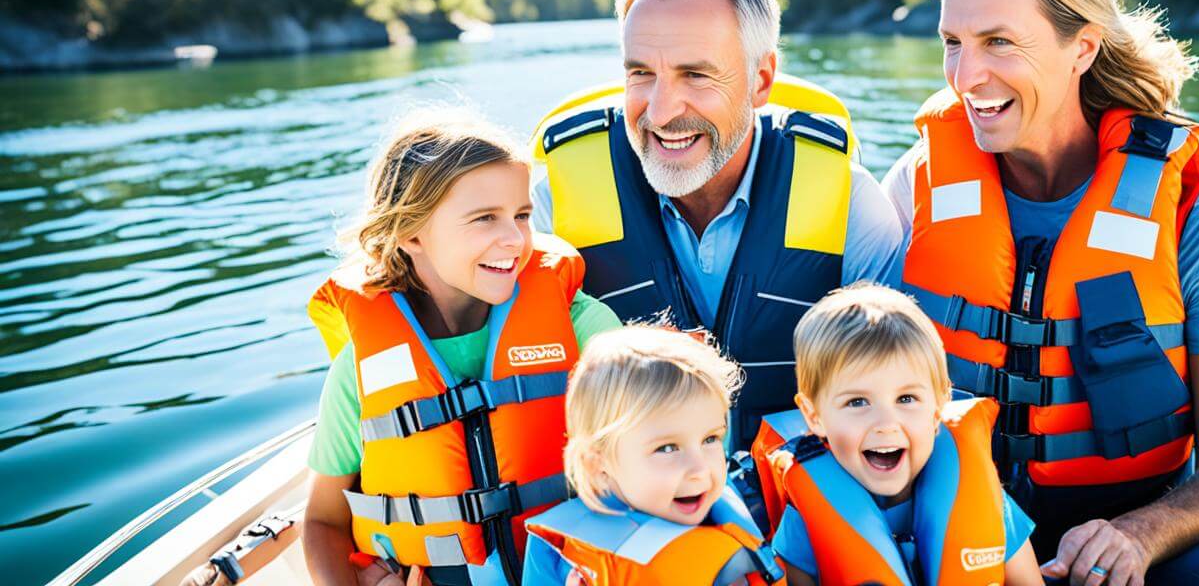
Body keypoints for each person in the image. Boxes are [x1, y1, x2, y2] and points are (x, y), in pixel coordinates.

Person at [882, 0, 1199, 585]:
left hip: (1127, 551)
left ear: (1082, 48)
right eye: (952, 41)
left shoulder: (1197, 222)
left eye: (999, 42)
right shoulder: (912, 192)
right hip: (948, 544)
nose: (965, 75)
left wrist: (1142, 535)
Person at [531, 0, 903, 451]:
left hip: (798, 514)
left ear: (761, 80)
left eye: (695, 75)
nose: (660, 112)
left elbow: (896, 408)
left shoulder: (852, 208)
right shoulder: (554, 208)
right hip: (636, 521)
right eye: (641, 73)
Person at [302, 110, 621, 586]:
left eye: (522, 215)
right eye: (484, 219)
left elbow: (658, 467)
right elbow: (322, 521)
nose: (514, 239)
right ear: (412, 234)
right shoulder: (361, 372)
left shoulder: (587, 332)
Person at [751, 284, 1040, 586]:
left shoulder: (987, 500)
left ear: (939, 404)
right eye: (857, 402)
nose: (886, 424)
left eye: (906, 399)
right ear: (814, 416)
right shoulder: (805, 522)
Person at [522, 325, 784, 585]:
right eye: (667, 448)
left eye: (710, 439)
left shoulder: (728, 556)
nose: (700, 469)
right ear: (597, 463)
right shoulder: (556, 552)